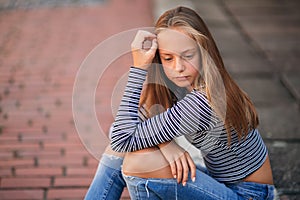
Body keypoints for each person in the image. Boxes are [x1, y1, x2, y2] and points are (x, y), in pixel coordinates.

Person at [85, 6, 277, 200]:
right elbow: (119, 132)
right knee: (123, 152)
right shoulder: (179, 88)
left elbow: (121, 138)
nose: (179, 67)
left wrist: (138, 68)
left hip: (249, 195)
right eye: (168, 58)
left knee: (137, 163)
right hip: (222, 183)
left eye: (188, 56)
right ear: (159, 58)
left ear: (204, 52)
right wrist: (167, 146)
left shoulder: (203, 101)